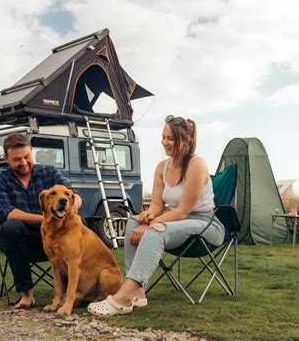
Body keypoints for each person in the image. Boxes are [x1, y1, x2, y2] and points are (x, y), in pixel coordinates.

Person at [87, 115, 225, 316]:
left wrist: (151, 224)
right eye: (164, 137)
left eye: (171, 139)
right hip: (180, 224)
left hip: (206, 225)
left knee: (156, 230)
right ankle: (138, 292)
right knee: (133, 221)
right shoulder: (162, 167)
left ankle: (123, 296)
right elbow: (157, 204)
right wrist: (147, 216)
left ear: (187, 141)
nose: (165, 143)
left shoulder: (197, 164)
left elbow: (183, 211)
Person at [0, 133, 82, 309]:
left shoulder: (50, 172)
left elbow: (74, 195)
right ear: (6, 159)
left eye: (27, 156)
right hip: (25, 241)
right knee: (10, 227)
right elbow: (4, 212)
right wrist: (46, 219)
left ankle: (72, 294)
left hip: (58, 238)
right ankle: (26, 294)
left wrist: (74, 205)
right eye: (17, 159)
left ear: (31, 151)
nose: (23, 162)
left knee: (75, 230)